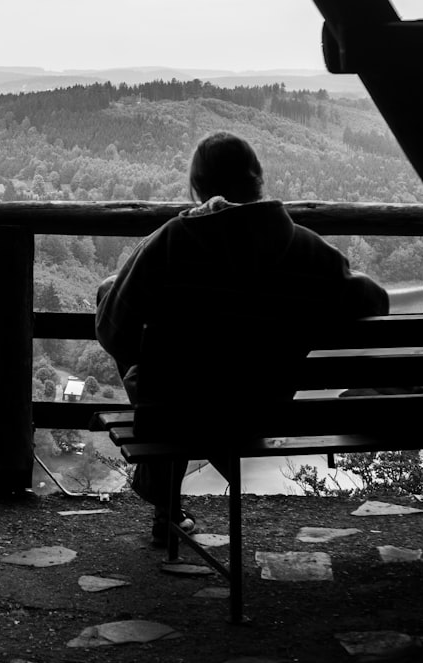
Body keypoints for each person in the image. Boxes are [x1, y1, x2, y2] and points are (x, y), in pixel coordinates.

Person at [95, 131, 388, 546]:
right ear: (259, 182)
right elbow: (375, 303)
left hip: (178, 412)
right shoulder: (304, 248)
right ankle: (165, 490)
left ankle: (164, 496)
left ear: (197, 189)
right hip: (260, 411)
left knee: (132, 327)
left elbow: (113, 333)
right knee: (180, 381)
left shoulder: (168, 244)